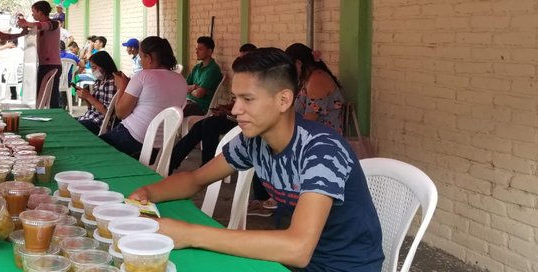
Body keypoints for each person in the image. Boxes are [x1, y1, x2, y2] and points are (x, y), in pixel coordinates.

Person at [129, 48, 383, 271]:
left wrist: (190, 234)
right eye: (236, 98)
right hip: (287, 261)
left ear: (284, 100)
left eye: (247, 99)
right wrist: (147, 193)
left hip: (342, 266)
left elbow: (298, 248)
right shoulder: (254, 142)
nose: (236, 109)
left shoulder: (321, 150)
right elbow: (195, 179)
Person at [169, 43, 256, 173]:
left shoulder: (258, 81)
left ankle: (207, 166)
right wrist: (224, 108)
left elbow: (252, 109)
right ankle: (171, 162)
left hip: (247, 121)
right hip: (234, 116)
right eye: (241, 58)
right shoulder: (245, 78)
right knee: (201, 125)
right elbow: (237, 102)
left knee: (209, 126)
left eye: (246, 59)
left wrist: (228, 112)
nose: (243, 62)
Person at [99, 36, 187, 159]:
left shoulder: (142, 76)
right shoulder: (181, 80)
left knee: (94, 148)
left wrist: (122, 87)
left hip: (132, 138)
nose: (140, 61)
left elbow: (120, 113)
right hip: (159, 147)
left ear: (149, 58)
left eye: (141, 57)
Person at [285, 43, 345, 134]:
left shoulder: (317, 80)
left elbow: (310, 120)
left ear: (298, 63)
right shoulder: (309, 78)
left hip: (323, 140)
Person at [17, 0, 62, 108]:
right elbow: (35, 28)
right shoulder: (38, 26)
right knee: (40, 96)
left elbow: (43, 25)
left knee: (51, 97)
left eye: (34, 12)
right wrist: (25, 26)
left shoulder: (54, 23)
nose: (32, 14)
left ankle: (55, 116)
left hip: (52, 65)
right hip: (43, 65)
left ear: (40, 12)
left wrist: (27, 23)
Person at [76, 51, 118, 134]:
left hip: (99, 123)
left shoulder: (111, 83)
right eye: (91, 68)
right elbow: (91, 108)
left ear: (104, 66)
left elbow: (107, 113)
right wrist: (86, 98)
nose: (92, 71)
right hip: (89, 117)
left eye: (94, 67)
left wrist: (89, 97)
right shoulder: (99, 82)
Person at [184, 36, 223, 117]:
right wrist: (194, 87)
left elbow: (199, 94)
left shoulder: (213, 69)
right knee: (168, 106)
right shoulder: (197, 67)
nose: (196, 52)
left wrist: (190, 89)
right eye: (196, 49)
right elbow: (183, 87)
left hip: (201, 106)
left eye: (200, 49)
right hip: (188, 101)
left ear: (209, 51)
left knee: (175, 112)